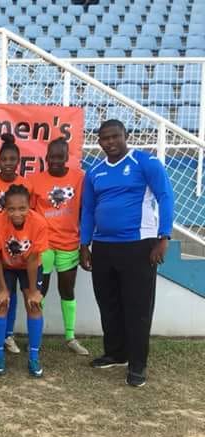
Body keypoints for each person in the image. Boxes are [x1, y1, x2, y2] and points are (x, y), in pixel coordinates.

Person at [80, 119, 174, 387]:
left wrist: (164, 237)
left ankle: (137, 364)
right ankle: (116, 353)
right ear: (98, 141)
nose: (110, 142)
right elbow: (88, 209)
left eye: (115, 136)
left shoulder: (146, 163)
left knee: (137, 307)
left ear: (126, 136)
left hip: (138, 245)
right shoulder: (94, 171)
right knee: (108, 303)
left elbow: (165, 196)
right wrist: (84, 244)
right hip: (103, 247)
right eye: (104, 138)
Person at [30, 137, 89, 356]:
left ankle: (70, 337)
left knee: (67, 290)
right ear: (46, 157)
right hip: (44, 245)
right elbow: (30, 214)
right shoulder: (35, 181)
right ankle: (36, 336)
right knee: (40, 291)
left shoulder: (79, 178)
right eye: (52, 157)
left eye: (60, 157)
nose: (55, 161)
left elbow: (85, 210)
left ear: (67, 157)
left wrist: (85, 242)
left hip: (69, 244)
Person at [0, 134, 33, 355]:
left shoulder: (26, 185)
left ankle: (8, 335)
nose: (8, 163)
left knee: (10, 292)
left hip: (17, 248)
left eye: (12, 159)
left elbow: (31, 217)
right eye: (4, 159)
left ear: (18, 161)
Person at [0, 185, 48, 377]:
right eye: (11, 209)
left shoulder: (39, 223)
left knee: (34, 305)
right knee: (1, 303)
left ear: (29, 206)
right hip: (6, 266)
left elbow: (33, 260)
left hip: (30, 267)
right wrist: (3, 288)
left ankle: (34, 356)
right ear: (5, 208)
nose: (17, 213)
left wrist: (33, 291)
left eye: (22, 208)